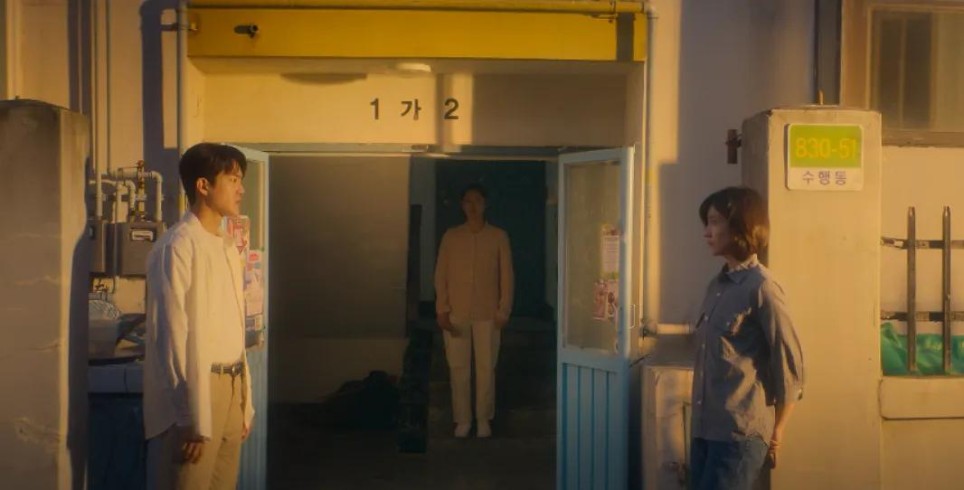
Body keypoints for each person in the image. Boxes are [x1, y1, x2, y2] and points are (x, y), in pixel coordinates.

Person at [143, 143, 254, 490]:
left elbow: (233, 326)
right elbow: (171, 334)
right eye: (233, 179)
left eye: (240, 180)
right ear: (203, 186)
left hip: (232, 385)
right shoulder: (177, 245)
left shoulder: (226, 245)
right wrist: (187, 413)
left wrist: (245, 402)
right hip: (198, 387)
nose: (241, 189)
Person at [689, 186, 805, 490]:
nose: (707, 233)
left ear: (740, 226)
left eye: (715, 222)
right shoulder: (717, 285)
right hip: (704, 430)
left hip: (739, 435)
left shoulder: (762, 287)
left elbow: (789, 364)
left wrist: (778, 431)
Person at [434, 183, 514, 438]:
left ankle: (483, 418)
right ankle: (463, 419)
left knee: (486, 367)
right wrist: (442, 308)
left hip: (488, 313)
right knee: (458, 367)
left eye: (477, 201)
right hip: (456, 312)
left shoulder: (498, 236)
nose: (472, 206)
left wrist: (504, 309)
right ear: (462, 205)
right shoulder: (451, 236)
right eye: (468, 201)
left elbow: (507, 275)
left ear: (485, 204)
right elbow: (441, 274)